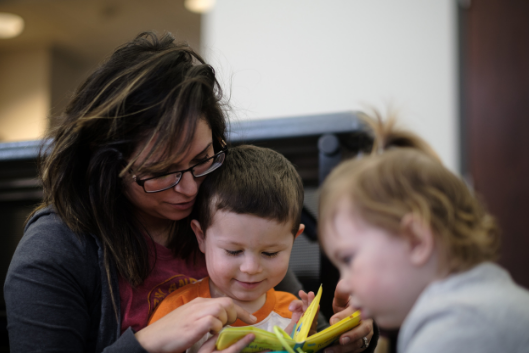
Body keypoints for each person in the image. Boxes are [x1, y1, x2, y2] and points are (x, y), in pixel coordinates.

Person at [4, 31, 374, 353]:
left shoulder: (221, 205)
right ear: (107, 168)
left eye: (202, 158)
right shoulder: (54, 251)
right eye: (160, 173)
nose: (190, 187)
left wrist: (342, 339)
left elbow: (293, 328)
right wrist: (147, 343)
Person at [318, 112, 529, 353]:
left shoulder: (458, 327)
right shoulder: (483, 297)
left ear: (416, 241)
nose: (345, 283)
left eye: (349, 259)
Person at [149, 145, 319, 352]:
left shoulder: (292, 312)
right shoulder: (177, 311)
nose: (251, 268)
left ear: (294, 240)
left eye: (270, 253)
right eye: (233, 251)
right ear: (201, 237)